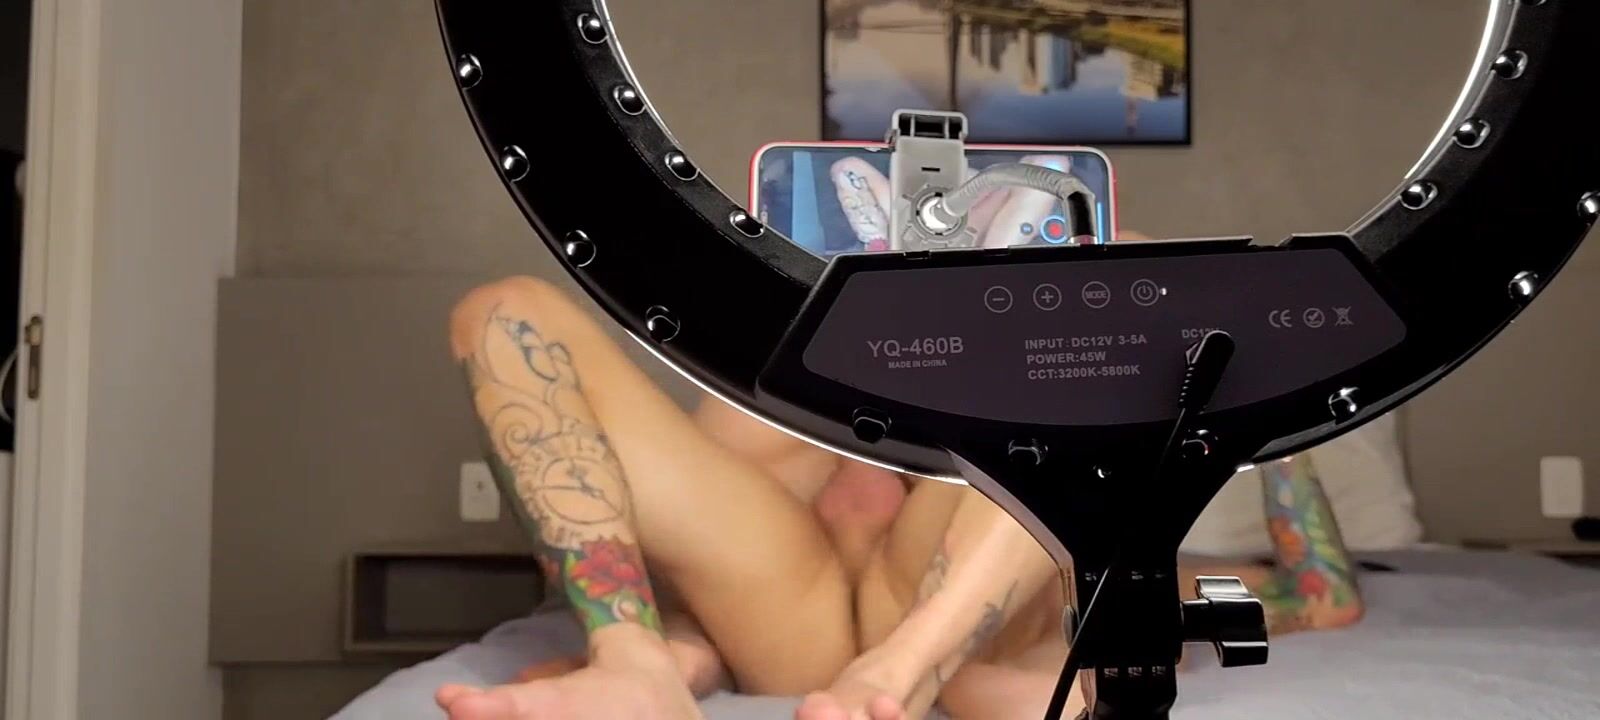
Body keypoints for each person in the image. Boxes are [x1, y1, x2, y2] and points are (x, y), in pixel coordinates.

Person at [433, 162, 1365, 720]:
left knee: (1126, 277)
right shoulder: (781, 400)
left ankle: (915, 667)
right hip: (787, 606)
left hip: (932, 626)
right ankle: (633, 671)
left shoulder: (1149, 549)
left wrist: (1244, 368)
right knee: (505, 310)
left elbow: (1320, 597)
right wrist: (667, 647)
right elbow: (678, 543)